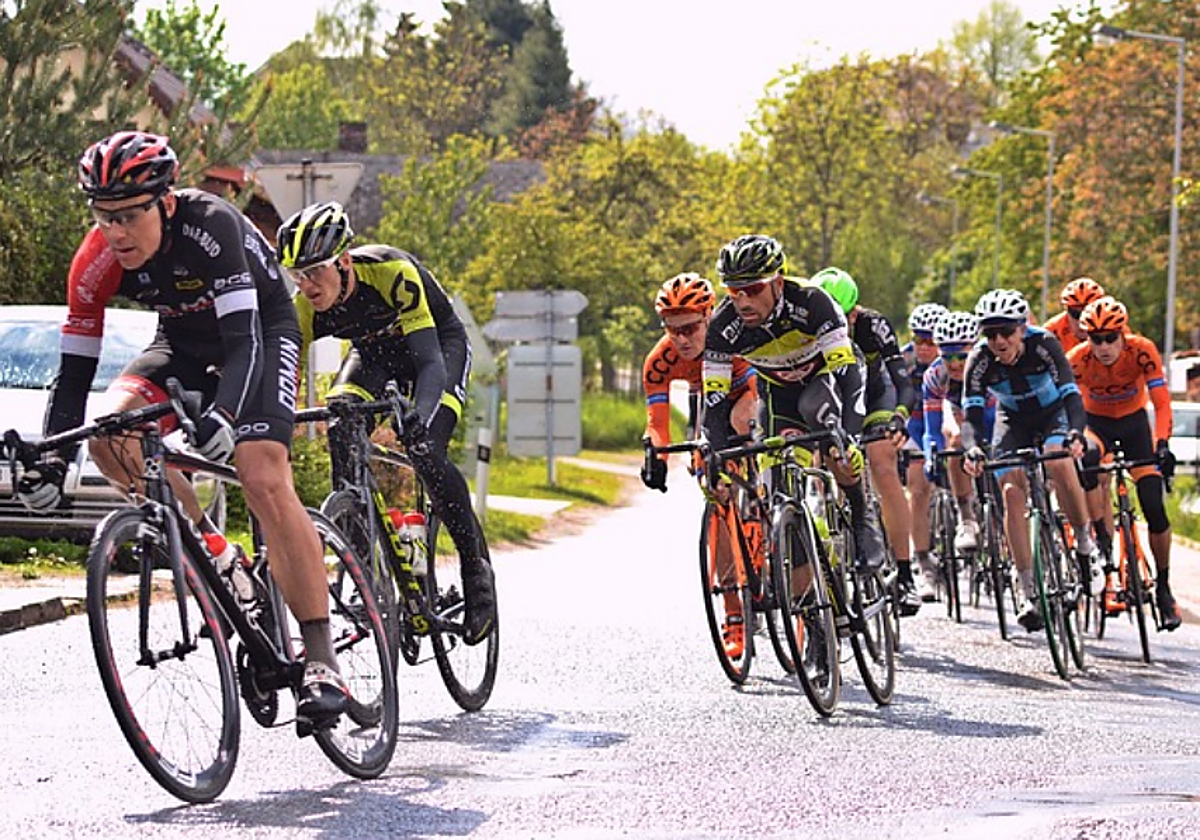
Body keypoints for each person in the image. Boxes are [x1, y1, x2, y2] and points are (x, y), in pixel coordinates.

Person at [23, 131, 347, 728]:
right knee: (110, 434)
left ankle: (321, 657)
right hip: (180, 341)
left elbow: (245, 341)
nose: (115, 232)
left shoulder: (210, 226)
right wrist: (51, 463)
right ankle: (218, 555)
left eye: (128, 216)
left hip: (260, 333)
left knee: (261, 475)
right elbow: (74, 374)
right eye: (103, 216)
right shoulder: (94, 261)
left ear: (165, 203)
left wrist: (225, 415)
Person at [276, 201, 496, 645]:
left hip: (436, 347)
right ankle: (364, 570)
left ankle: (476, 572)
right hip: (374, 355)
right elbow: (285, 374)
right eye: (297, 275)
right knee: (341, 417)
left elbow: (429, 362)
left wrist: (420, 419)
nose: (307, 284)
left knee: (425, 449)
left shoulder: (390, 272)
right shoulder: (305, 308)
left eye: (315, 271)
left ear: (343, 261)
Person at [700, 235, 883, 575]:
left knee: (830, 433)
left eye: (753, 289)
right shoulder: (723, 327)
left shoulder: (813, 302)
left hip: (826, 379)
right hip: (778, 394)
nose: (742, 301)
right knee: (776, 491)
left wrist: (850, 436)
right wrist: (716, 457)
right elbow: (714, 401)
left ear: (778, 282)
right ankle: (806, 596)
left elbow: (846, 374)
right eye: (734, 291)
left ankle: (862, 517)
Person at [961, 288, 1102, 632]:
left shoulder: (1045, 344)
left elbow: (1071, 395)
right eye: (990, 333)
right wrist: (973, 448)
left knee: (1057, 460)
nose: (998, 340)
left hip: (1053, 414)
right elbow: (972, 417)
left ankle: (1085, 545)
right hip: (1012, 421)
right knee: (1011, 491)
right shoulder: (979, 360)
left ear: (1022, 328)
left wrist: (1076, 433)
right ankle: (1026, 588)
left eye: (1006, 331)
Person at [641, 272, 758, 657]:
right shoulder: (659, 361)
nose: (682, 339)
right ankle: (734, 614)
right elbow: (657, 424)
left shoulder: (734, 334)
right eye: (672, 329)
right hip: (707, 403)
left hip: (747, 390)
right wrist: (657, 457)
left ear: (709, 316)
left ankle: (770, 515)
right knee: (715, 494)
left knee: (743, 423)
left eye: (690, 328)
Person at [1067, 296, 1181, 630]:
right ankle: (1103, 542)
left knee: (1154, 506)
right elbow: (1070, 408)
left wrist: (1163, 443)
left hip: (1135, 427)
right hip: (1096, 425)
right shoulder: (1078, 360)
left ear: (1122, 334)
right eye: (1096, 339)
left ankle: (1164, 587)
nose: (1103, 347)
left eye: (1110, 338)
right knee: (1088, 459)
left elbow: (1161, 403)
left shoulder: (1142, 350)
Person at [814, 267, 922, 614]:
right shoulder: (808, 327)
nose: (837, 325)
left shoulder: (873, 326)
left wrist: (900, 416)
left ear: (855, 312)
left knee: (882, 464)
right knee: (823, 465)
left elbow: (902, 382)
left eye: (844, 318)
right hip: (835, 401)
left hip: (875, 398)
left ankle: (905, 574)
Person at [921, 310, 995, 587]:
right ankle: (966, 518)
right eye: (947, 356)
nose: (954, 364)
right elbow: (931, 426)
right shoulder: (934, 376)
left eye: (961, 357)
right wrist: (931, 456)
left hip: (995, 416)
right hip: (962, 418)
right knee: (953, 442)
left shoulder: (991, 364)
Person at [902, 302, 949, 601]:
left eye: (930, 340)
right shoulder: (904, 360)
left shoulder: (953, 361)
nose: (923, 346)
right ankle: (922, 562)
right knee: (918, 489)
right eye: (919, 338)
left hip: (946, 422)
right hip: (915, 426)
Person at [1042, 277, 1106, 354]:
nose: (1081, 321)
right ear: (1066, 309)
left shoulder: (1114, 330)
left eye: (1090, 315)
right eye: (1075, 314)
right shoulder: (1050, 332)